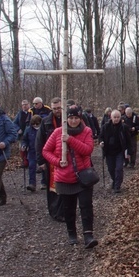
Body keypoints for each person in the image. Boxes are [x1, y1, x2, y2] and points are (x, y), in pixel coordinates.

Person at [42, 104, 98, 248]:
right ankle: (72, 233)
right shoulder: (57, 132)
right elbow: (46, 151)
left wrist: (70, 140)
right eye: (71, 118)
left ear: (80, 118)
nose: (73, 121)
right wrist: (57, 162)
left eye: (76, 118)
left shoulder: (86, 131)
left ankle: (88, 235)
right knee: (69, 208)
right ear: (66, 119)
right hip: (64, 177)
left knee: (86, 206)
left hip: (83, 176)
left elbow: (87, 150)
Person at [35, 97, 64, 220]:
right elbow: (39, 141)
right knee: (52, 187)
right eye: (55, 108)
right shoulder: (46, 122)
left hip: (65, 158)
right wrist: (40, 160)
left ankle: (64, 210)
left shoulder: (68, 120)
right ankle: (54, 211)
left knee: (65, 185)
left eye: (59, 108)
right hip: (50, 159)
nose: (57, 110)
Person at [100, 109, 130, 193]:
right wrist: (101, 142)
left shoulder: (124, 127)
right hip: (109, 152)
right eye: (115, 117)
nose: (116, 119)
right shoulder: (105, 127)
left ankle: (117, 185)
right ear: (111, 117)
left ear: (120, 118)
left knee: (119, 168)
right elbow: (101, 136)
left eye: (118, 117)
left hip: (119, 151)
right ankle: (114, 180)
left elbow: (128, 141)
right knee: (111, 169)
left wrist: (129, 153)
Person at [21, 114, 42, 191]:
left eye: (37, 124)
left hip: (42, 150)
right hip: (32, 150)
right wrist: (24, 145)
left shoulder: (43, 129)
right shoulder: (28, 129)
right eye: (34, 124)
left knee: (43, 167)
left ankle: (44, 182)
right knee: (31, 166)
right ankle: (32, 184)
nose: (35, 125)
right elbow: (24, 140)